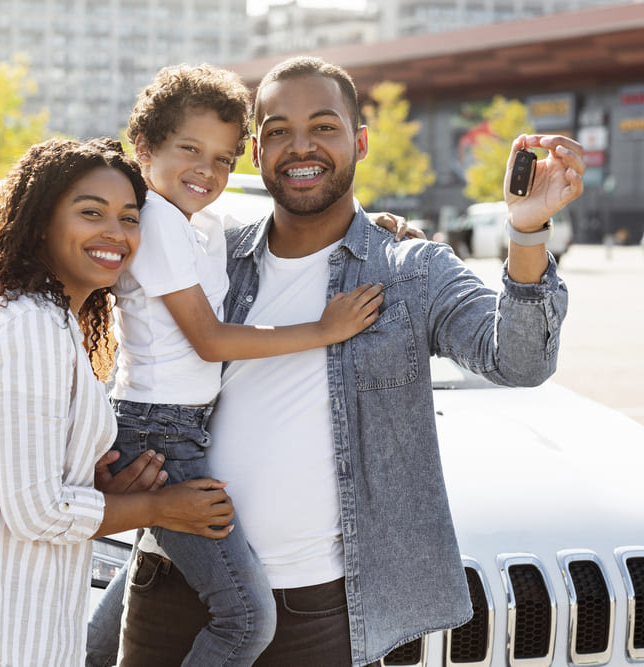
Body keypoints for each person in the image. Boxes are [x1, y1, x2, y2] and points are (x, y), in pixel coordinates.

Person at [110, 56, 584, 667]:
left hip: (314, 609)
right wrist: (116, 473)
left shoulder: (410, 271)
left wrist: (526, 232)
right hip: (168, 583)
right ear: (255, 150)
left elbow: (519, 361)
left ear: (359, 141)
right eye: (278, 130)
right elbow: (138, 359)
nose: (300, 146)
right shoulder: (215, 253)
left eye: (323, 126)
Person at [87, 64, 423, 667]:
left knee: (188, 593)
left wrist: (378, 227)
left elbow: (296, 228)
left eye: (222, 158)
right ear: (143, 149)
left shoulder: (202, 224)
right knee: (244, 617)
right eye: (189, 150)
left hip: (178, 432)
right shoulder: (158, 223)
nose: (207, 172)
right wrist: (323, 330)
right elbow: (211, 341)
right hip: (159, 433)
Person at [0, 137, 239, 667]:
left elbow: (16, 490)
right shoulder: (32, 327)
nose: (116, 233)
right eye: (91, 212)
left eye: (130, 218)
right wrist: (160, 507)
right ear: (39, 225)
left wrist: (97, 489)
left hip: (13, 626)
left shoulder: (49, 321)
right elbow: (35, 514)